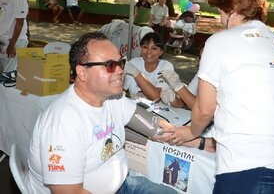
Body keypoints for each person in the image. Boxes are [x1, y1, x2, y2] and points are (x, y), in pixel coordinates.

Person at [164, 0, 274, 193]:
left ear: (233, 10)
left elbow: (204, 109)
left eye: (221, 13)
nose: (221, 20)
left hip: (248, 167)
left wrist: (191, 132)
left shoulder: (219, 42)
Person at [26, 32, 178, 194]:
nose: (120, 70)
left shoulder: (113, 98)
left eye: (121, 63)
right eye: (110, 65)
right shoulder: (63, 122)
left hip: (122, 184)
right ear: (82, 72)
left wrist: (197, 140)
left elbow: (152, 125)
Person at [124, 32, 174, 101]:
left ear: (161, 52)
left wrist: (136, 74)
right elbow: (122, 89)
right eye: (145, 47)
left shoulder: (166, 67)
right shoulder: (134, 63)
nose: (149, 52)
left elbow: (157, 97)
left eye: (154, 48)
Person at [0, 0, 28, 73]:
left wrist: (12, 45)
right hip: (2, 40)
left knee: (10, 74)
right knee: (3, 73)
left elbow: (19, 22)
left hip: (15, 41)